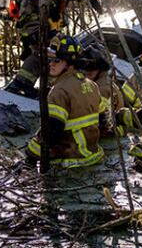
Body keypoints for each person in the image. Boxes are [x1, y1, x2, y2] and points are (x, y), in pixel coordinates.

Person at [4, 0, 102, 98]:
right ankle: (24, 84)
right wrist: (49, 13)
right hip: (34, 21)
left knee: (49, 51)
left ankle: (37, 86)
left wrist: (92, 1)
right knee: (53, 51)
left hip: (40, 21)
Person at [24, 36, 105, 170]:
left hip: (71, 162)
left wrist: (30, 156)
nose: (51, 64)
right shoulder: (92, 85)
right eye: (50, 60)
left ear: (70, 63)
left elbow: (50, 133)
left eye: (56, 60)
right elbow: (103, 121)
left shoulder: (59, 91)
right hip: (93, 156)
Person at [80, 43, 124, 137]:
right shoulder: (103, 82)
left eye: (92, 67)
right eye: (85, 67)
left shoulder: (102, 88)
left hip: (108, 135)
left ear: (101, 67)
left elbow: (101, 120)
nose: (87, 72)